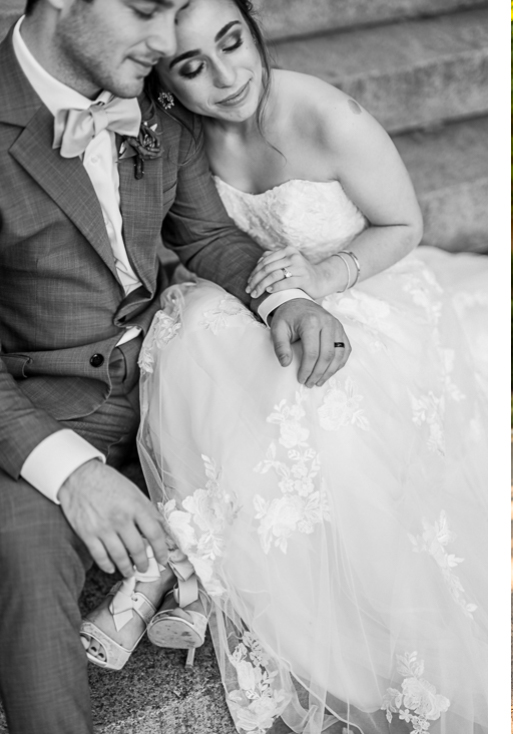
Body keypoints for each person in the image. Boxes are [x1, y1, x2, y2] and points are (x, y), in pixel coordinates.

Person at [77, 0, 487, 732]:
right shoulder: (173, 130)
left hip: (361, 283)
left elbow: (406, 224)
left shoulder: (330, 116)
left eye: (233, 43)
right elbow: (198, 238)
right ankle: (187, 561)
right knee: (189, 326)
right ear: (166, 80)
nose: (227, 76)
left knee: (305, 391)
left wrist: (324, 280)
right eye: (193, 66)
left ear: (256, 31)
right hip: (249, 290)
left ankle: (184, 571)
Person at [0, 0, 346, 731]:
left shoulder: (145, 95)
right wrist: (74, 474)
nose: (165, 46)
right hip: (47, 410)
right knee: (24, 554)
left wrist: (285, 296)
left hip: (169, 371)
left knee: (334, 408)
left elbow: (207, 234)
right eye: (146, 12)